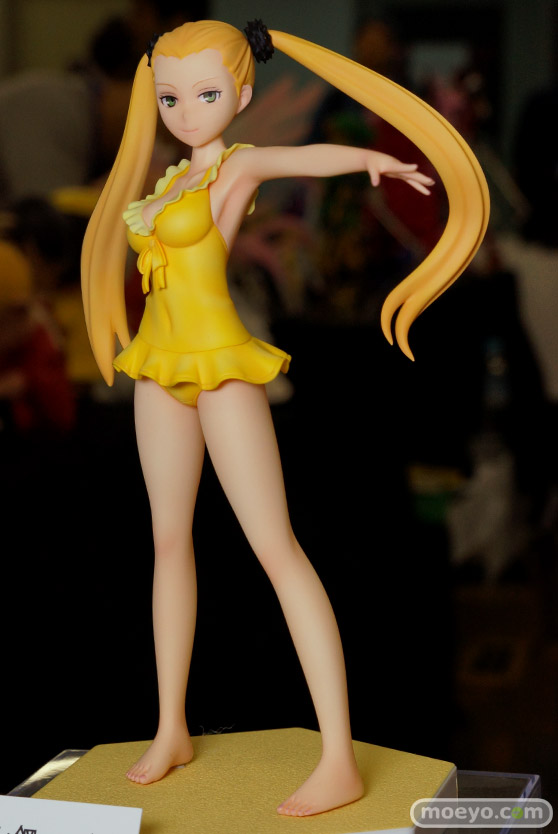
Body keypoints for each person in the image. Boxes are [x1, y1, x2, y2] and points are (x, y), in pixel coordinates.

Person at [82, 19, 488, 817]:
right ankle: (171, 726)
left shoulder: (236, 166)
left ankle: (337, 754)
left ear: (241, 94)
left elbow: (304, 158)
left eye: (205, 94)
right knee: (168, 543)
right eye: (171, 97)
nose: (186, 111)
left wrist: (371, 160)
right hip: (159, 371)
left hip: (222, 369)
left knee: (277, 549)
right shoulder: (169, 177)